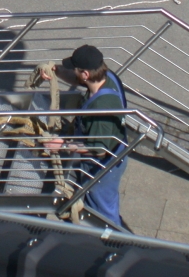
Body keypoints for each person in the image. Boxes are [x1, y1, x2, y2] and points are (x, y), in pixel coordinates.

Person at [41, 44, 128, 226]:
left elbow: (98, 150)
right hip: (111, 153)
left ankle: (112, 242)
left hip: (104, 167)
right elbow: (76, 79)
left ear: (86, 74)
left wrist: (62, 145)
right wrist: (55, 71)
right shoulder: (106, 77)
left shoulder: (101, 109)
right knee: (103, 202)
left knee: (101, 210)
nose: (74, 73)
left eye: (76, 70)